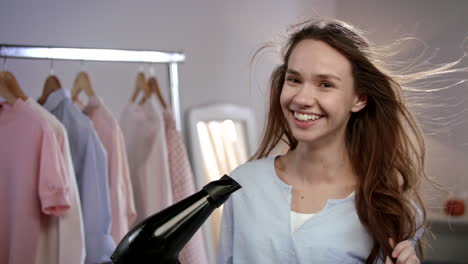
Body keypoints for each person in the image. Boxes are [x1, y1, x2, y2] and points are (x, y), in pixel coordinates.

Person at [215, 18, 455, 264]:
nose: (302, 98)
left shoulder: (389, 210)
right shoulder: (243, 185)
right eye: (294, 79)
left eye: (326, 84)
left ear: (359, 99)